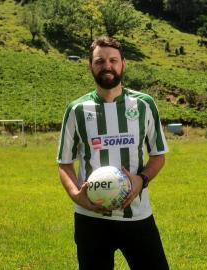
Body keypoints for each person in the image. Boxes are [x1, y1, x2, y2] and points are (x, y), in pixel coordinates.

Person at [57, 36, 169, 270]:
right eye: (99, 61)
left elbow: (158, 155)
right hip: (91, 219)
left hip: (137, 215)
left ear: (123, 64)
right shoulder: (76, 110)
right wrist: (77, 196)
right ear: (90, 66)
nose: (107, 66)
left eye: (113, 60)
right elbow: (64, 163)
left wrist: (142, 179)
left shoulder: (144, 105)